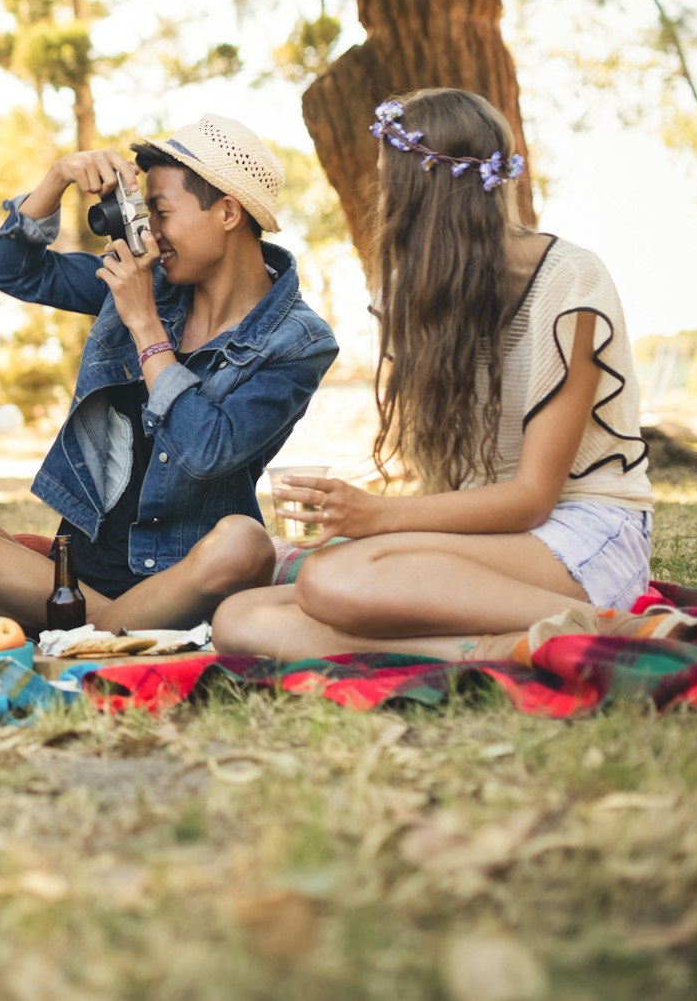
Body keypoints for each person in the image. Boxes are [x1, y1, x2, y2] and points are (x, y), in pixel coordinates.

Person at [212, 89, 655, 661]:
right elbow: (457, 490)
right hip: (491, 543)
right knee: (239, 618)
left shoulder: (569, 279)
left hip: (582, 537)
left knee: (330, 579)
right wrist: (362, 520)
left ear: (421, 189)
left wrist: (374, 517)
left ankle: (608, 624)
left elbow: (532, 498)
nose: (382, 199)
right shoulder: (416, 296)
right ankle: (498, 648)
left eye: (387, 181)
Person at [0, 114, 338, 632]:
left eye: (160, 213)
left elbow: (207, 451)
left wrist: (146, 326)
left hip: (187, 575)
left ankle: (83, 633)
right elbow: (10, 270)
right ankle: (118, 632)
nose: (148, 234)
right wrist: (58, 177)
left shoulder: (298, 341)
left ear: (227, 212)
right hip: (80, 572)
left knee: (245, 543)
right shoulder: (145, 278)